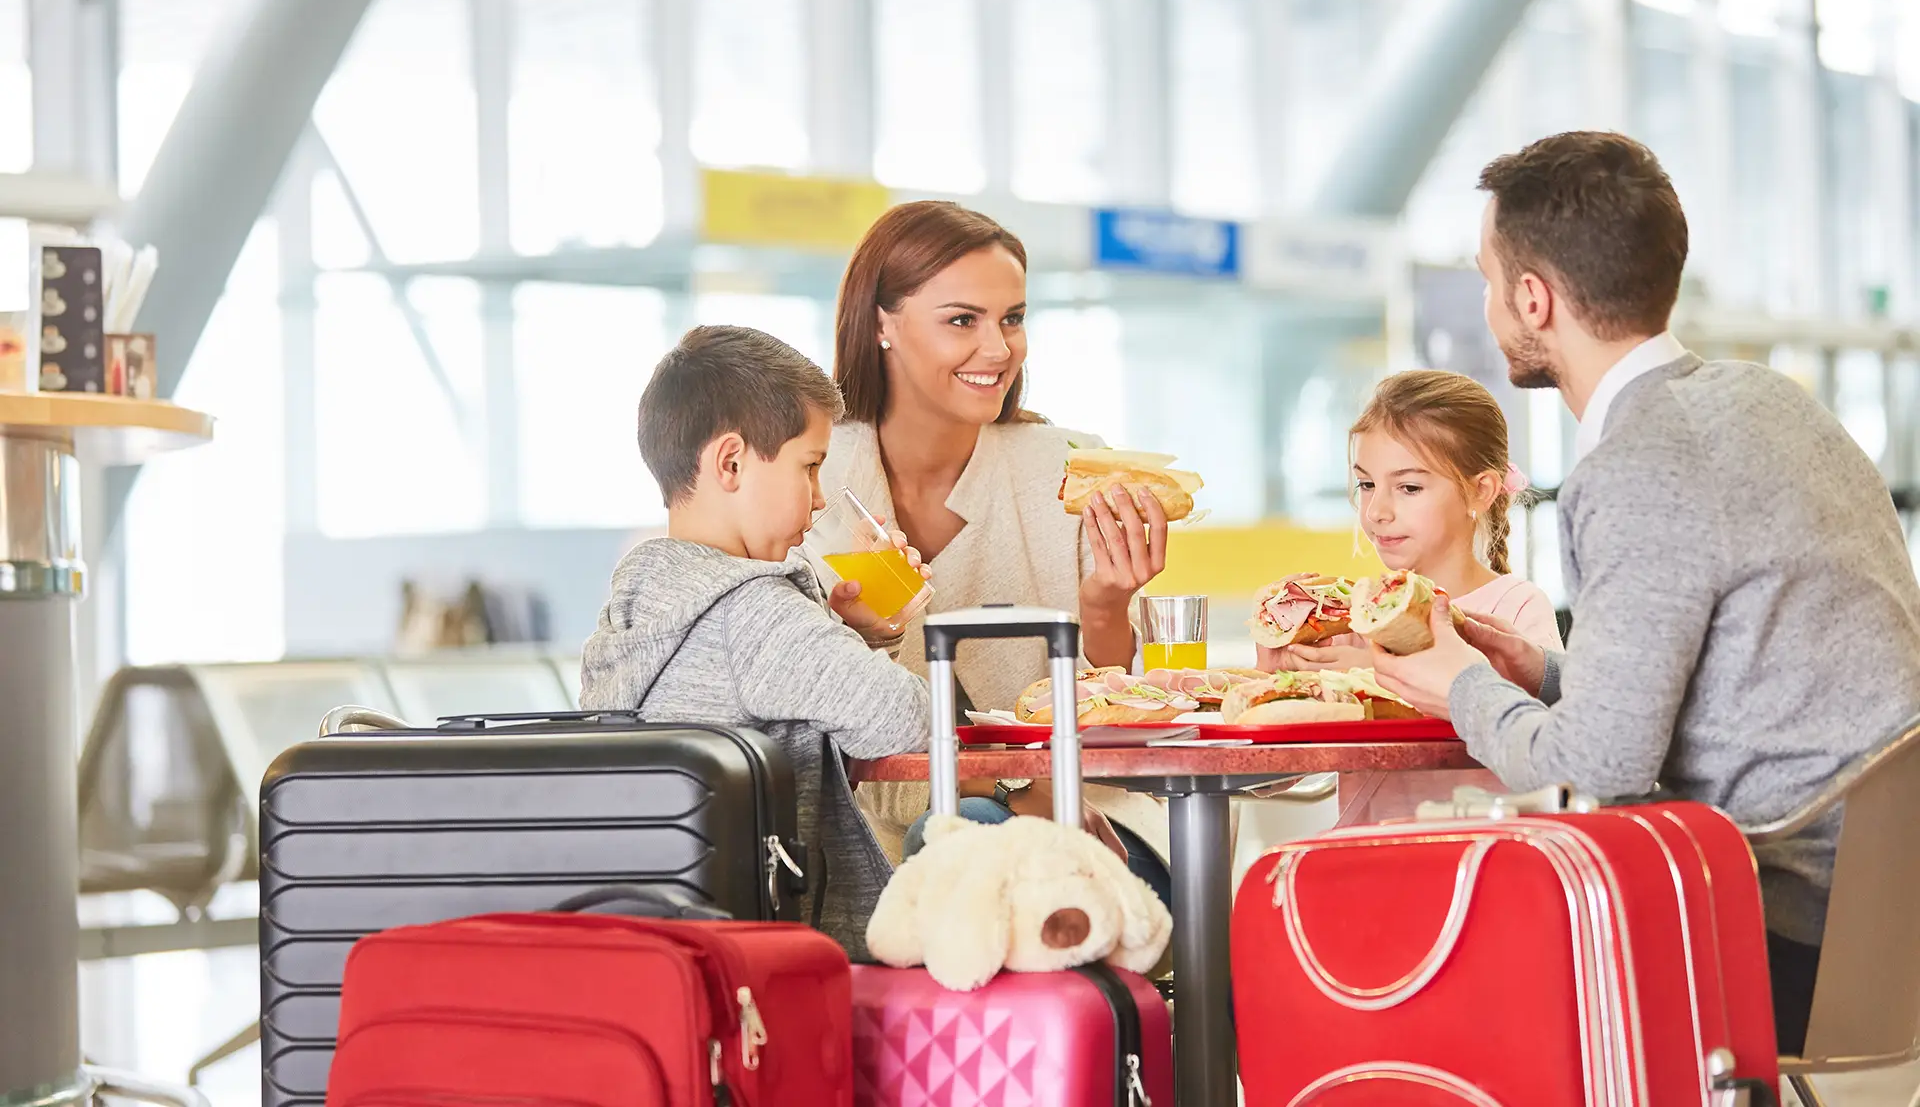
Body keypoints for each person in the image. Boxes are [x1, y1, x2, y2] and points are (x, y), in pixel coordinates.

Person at [1367, 130, 1920, 1054]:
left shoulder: (1634, 467)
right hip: (1886, 919)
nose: (1492, 303)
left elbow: (1596, 775)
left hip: (1780, 935)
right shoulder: (1770, 402)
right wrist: (1540, 670)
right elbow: (1731, 682)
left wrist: (1458, 681)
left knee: (1439, 958)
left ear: (1532, 300)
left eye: (1489, 279)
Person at [824, 199, 1173, 909]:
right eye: (963, 320)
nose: (998, 349)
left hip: (1088, 823)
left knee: (972, 847)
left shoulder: (1070, 472)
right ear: (882, 323)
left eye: (1012, 319)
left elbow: (1111, 701)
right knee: (966, 840)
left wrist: (1107, 602)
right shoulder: (812, 482)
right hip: (865, 839)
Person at [579, 325, 932, 957]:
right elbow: (902, 719)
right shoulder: (754, 606)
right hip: (773, 958)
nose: (820, 500)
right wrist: (824, 633)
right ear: (732, 462)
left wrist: (844, 635)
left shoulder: (631, 610)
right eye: (811, 467)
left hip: (660, 946)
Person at [1260, 369, 1564, 822]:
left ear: (1480, 491)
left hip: (1477, 861)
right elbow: (1273, 778)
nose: (1377, 511)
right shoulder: (1353, 620)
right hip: (1367, 860)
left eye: (1409, 487)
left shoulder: (1516, 608)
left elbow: (1546, 758)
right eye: (1366, 485)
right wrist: (1274, 679)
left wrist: (1374, 679)